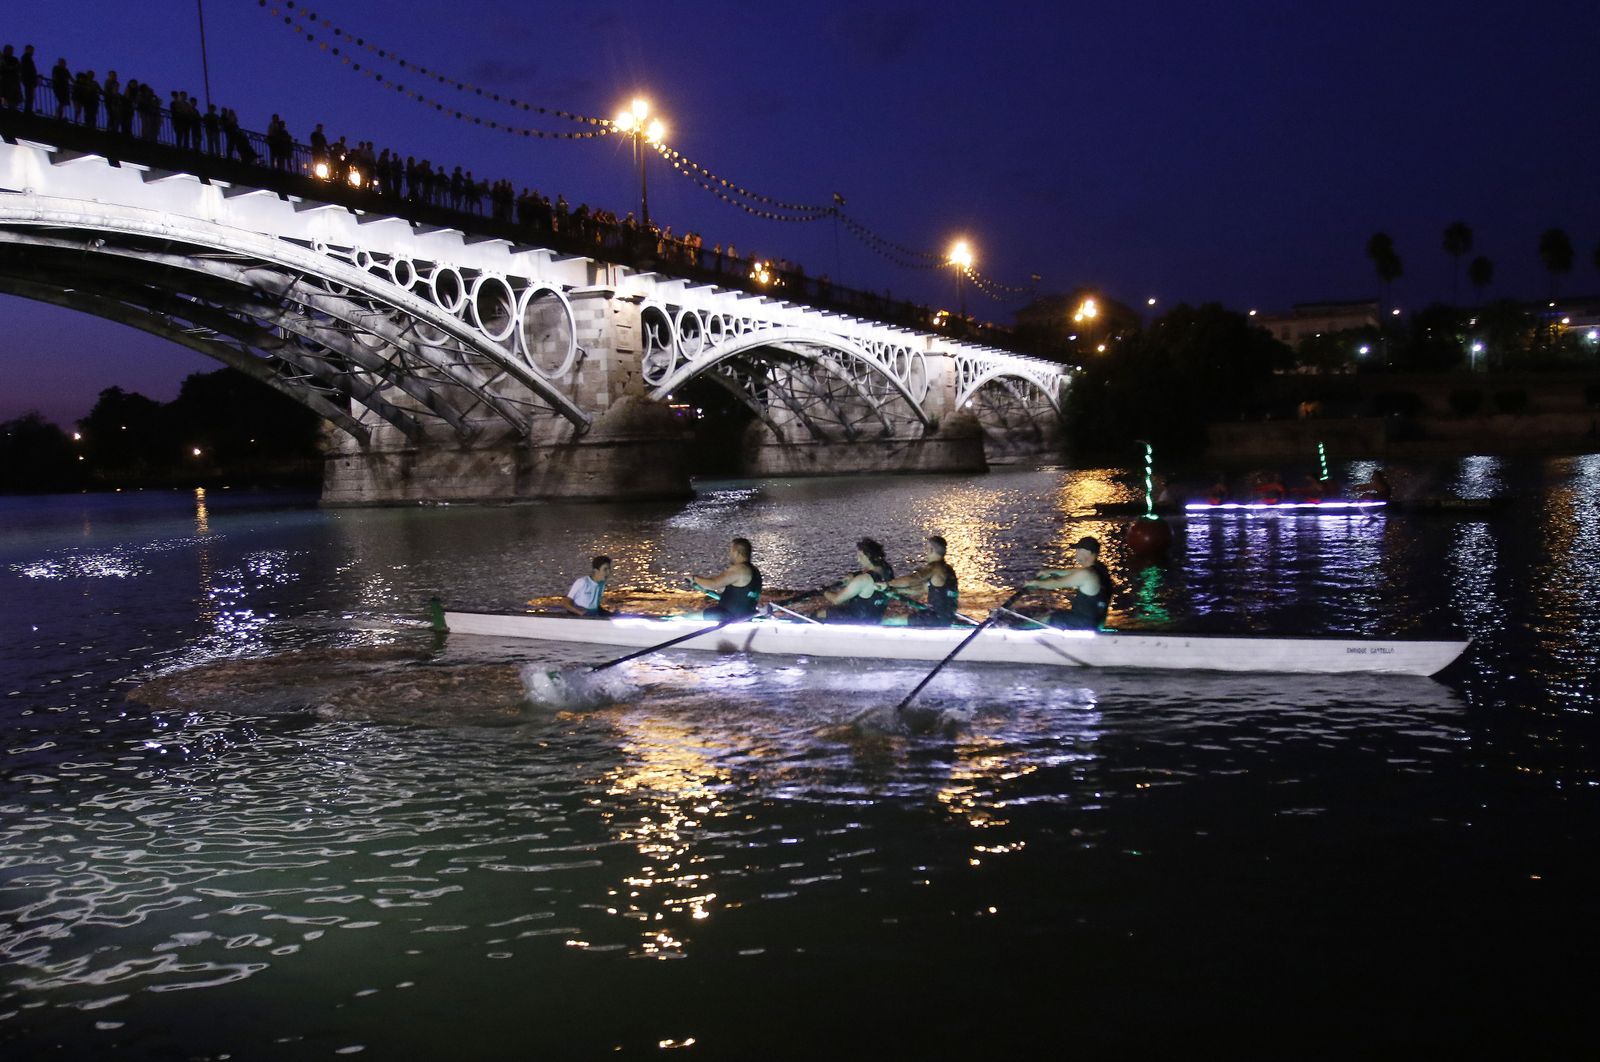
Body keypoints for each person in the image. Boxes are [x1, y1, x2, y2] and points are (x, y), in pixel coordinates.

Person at [1024, 536, 1112, 630]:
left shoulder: (1086, 574)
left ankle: (1019, 632)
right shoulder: (1100, 569)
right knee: (1053, 614)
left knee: (1045, 619)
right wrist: (1051, 571)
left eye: (1078, 550)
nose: (1076, 553)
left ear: (1087, 552)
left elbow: (1056, 583)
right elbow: (1071, 572)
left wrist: (1035, 583)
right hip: (1095, 621)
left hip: (1083, 624)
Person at [881, 535, 960, 627]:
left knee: (890, 621)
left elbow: (912, 580)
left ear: (931, 550)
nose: (926, 553)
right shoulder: (948, 569)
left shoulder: (935, 567)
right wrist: (896, 591)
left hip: (935, 618)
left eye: (927, 549)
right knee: (904, 616)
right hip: (946, 616)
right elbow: (921, 589)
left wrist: (887, 584)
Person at [819, 537, 894, 624]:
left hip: (856, 620)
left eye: (861, 556)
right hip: (876, 617)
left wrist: (824, 591)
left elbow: (836, 600)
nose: (858, 560)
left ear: (870, 556)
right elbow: (872, 573)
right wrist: (854, 575)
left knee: (820, 613)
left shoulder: (862, 579)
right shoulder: (887, 571)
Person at [689, 537, 762, 620]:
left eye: (730, 551)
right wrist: (703, 587)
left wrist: (694, 578)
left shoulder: (739, 569)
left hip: (727, 614)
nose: (729, 554)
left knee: (684, 617)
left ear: (736, 553)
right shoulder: (755, 571)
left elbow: (713, 584)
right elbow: (737, 591)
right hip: (744, 615)